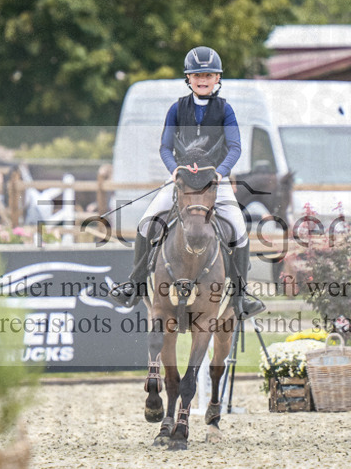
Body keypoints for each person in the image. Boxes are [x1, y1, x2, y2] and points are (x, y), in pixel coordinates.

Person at [111, 46, 265, 319]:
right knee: (146, 223)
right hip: (181, 181)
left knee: (239, 230)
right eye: (197, 75)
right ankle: (134, 285)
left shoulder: (225, 110)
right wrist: (174, 170)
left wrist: (221, 172)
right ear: (189, 78)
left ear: (217, 78)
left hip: (214, 181)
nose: (202, 79)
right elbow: (165, 147)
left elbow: (235, 148)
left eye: (208, 75)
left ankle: (241, 296)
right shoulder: (176, 108)